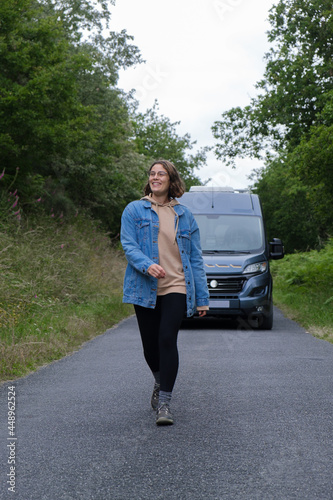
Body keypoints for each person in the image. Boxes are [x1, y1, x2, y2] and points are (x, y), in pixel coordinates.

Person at [120, 159, 209, 425]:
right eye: (152, 174)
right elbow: (128, 244)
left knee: (167, 338)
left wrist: (202, 298)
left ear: (171, 181)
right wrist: (147, 266)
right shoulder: (134, 210)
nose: (155, 177)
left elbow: (195, 258)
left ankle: (165, 403)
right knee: (150, 345)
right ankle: (160, 380)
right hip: (144, 285)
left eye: (162, 174)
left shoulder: (185, 215)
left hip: (177, 285)